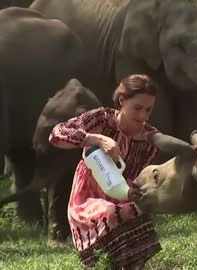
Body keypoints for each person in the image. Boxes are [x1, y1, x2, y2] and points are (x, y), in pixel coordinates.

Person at [49, 74, 162, 269]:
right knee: (110, 214)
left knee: (133, 211)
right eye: (137, 108)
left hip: (123, 193)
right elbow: (57, 134)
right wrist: (96, 139)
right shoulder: (101, 119)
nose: (143, 115)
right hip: (88, 197)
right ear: (122, 100)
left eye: (148, 109)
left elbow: (143, 177)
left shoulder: (150, 139)